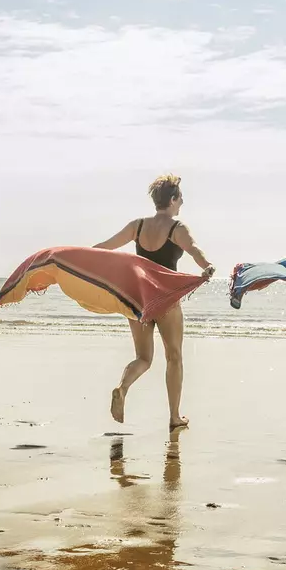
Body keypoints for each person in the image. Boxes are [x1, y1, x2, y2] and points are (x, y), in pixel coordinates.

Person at [92, 175, 215, 432]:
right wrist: (206, 266)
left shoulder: (137, 226)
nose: (182, 202)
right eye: (180, 197)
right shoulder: (177, 228)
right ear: (172, 199)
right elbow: (193, 249)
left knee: (143, 358)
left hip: (136, 298)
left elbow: (104, 248)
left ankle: (122, 388)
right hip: (165, 298)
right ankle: (174, 416)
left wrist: (78, 259)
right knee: (174, 357)